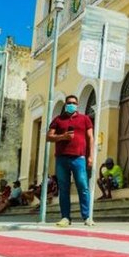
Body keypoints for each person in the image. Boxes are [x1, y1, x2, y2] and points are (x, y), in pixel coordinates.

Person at [47, 94, 94, 227]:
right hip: (61, 158)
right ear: (65, 104)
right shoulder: (58, 119)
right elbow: (49, 137)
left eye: (73, 102)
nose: (71, 104)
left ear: (77, 104)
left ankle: (87, 217)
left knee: (83, 187)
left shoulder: (85, 119)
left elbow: (90, 137)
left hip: (79, 158)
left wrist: (90, 156)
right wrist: (63, 136)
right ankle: (65, 217)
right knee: (64, 188)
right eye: (68, 103)